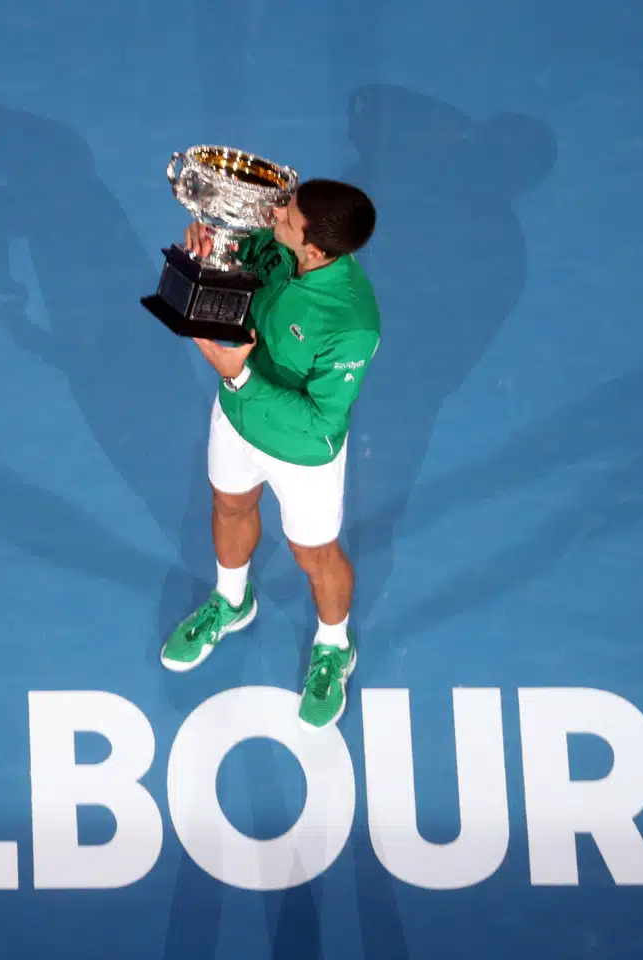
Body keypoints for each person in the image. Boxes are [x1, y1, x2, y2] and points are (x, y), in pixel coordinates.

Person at [160, 177, 380, 730]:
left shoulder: (353, 324)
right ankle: (232, 601)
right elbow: (254, 255)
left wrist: (240, 379)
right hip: (237, 416)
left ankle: (335, 645)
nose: (276, 212)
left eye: (288, 214)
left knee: (314, 557)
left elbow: (321, 418)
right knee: (229, 504)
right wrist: (214, 252)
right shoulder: (289, 246)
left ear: (317, 250)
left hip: (302, 452)